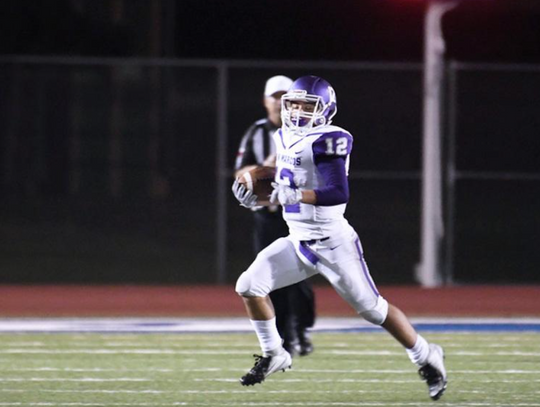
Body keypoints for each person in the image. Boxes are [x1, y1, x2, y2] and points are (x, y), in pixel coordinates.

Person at [231, 75, 448, 400]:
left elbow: (336, 192)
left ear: (326, 109)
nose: (298, 111)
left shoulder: (330, 138)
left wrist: (294, 195)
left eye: (307, 105)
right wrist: (260, 196)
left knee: (374, 310)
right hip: (298, 240)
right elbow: (284, 178)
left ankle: (426, 355)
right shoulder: (283, 135)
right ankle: (275, 352)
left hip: (333, 243)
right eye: (294, 103)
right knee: (248, 286)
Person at [233, 75, 316, 357]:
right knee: (270, 277)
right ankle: (281, 337)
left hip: (300, 213)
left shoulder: (310, 131)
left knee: (300, 278)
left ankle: (301, 330)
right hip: (269, 216)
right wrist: (263, 172)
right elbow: (240, 173)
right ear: (265, 100)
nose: (281, 101)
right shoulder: (257, 132)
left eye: (286, 95)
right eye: (276, 96)